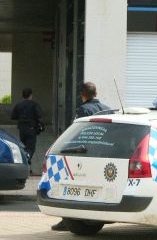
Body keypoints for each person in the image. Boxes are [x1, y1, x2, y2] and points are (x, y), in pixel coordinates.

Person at [52, 82, 110, 231]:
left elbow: (79, 133)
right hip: (104, 155)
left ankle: (69, 220)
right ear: (96, 94)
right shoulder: (108, 109)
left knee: (73, 188)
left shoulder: (83, 110)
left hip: (85, 155)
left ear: (82, 95)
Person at [11, 88, 42, 166]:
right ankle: (27, 161)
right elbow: (39, 115)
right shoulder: (34, 105)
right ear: (31, 95)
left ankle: (26, 163)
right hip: (31, 129)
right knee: (31, 148)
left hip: (22, 129)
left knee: (24, 147)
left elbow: (13, 116)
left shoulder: (18, 105)